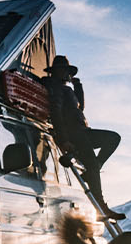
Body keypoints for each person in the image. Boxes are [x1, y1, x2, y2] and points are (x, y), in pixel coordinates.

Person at [41, 55, 124, 219]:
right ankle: (101, 207)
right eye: (64, 70)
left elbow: (80, 106)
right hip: (75, 134)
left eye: (67, 71)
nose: (66, 74)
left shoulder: (66, 89)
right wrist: (64, 139)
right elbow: (56, 113)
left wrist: (77, 85)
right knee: (92, 163)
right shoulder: (56, 88)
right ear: (56, 71)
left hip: (83, 131)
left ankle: (95, 171)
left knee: (113, 138)